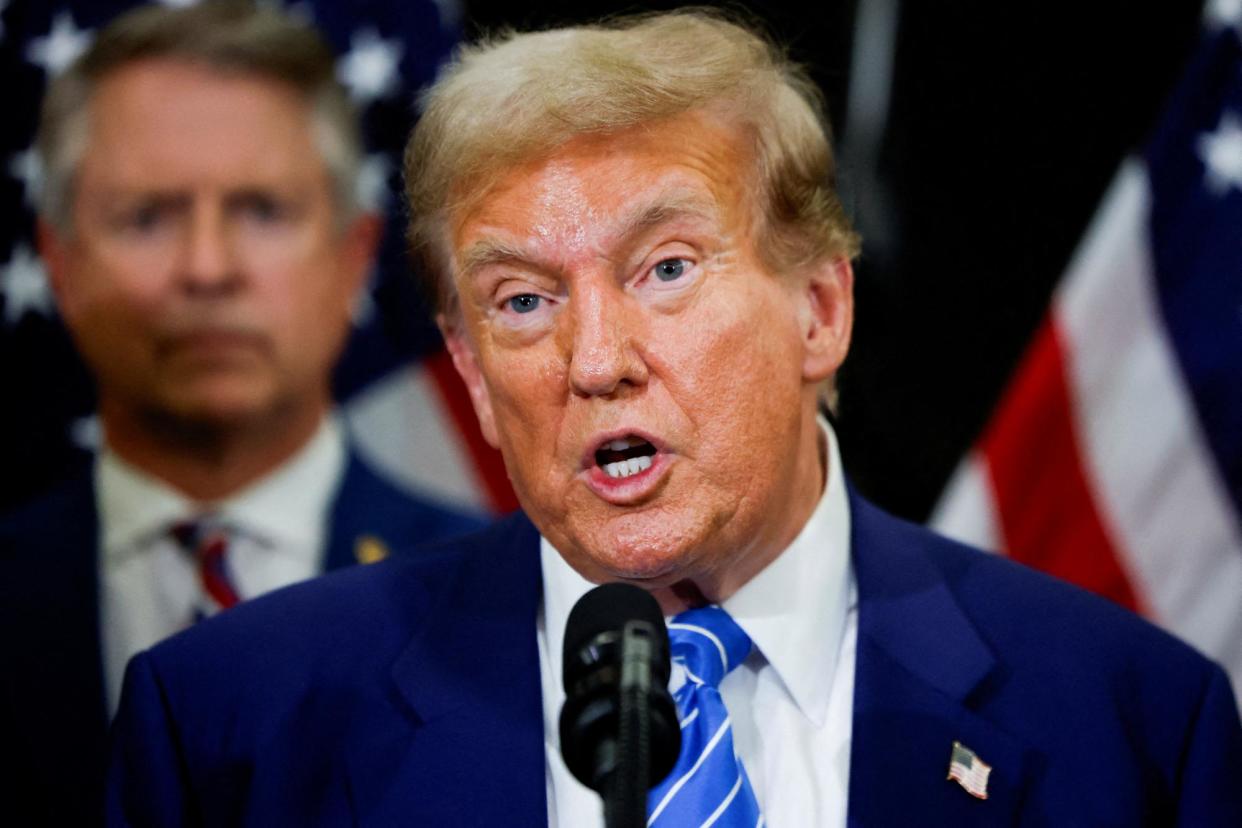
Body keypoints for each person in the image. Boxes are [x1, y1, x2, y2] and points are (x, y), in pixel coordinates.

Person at [106, 9, 1242, 826]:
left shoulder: (1131, 723)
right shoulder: (232, 728)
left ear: (820, 309)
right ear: (467, 370)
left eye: (664, 270)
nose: (595, 361)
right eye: (522, 301)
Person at [0, 3, 484, 824]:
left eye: (262, 211)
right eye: (146, 215)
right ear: (60, 263)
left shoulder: (493, 599)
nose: (208, 268)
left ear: (354, 256)